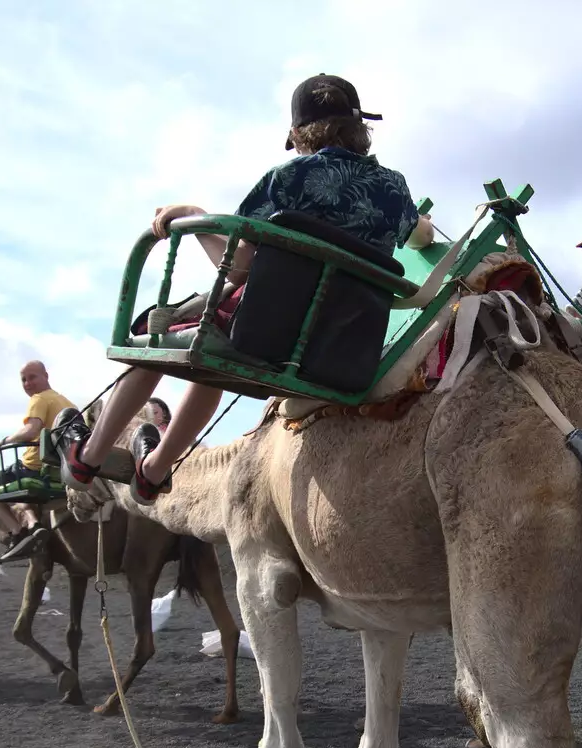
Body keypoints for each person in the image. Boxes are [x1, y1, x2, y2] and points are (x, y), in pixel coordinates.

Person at [55, 73, 433, 504]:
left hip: (270, 335)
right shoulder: (395, 188)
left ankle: (88, 457)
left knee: (162, 331)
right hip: (343, 350)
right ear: (359, 128)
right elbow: (418, 235)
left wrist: (195, 215)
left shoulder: (288, 177)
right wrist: (421, 227)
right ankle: (154, 470)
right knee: (213, 347)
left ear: (297, 133)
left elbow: (238, 265)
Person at [0, 360, 74, 564]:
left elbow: (31, 431)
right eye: (23, 379)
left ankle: (18, 533)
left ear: (46, 376)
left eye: (32, 377)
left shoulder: (39, 399)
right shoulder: (69, 404)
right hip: (60, 470)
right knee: (17, 488)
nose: (27, 383)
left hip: (34, 467)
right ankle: (34, 524)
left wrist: (1, 442)